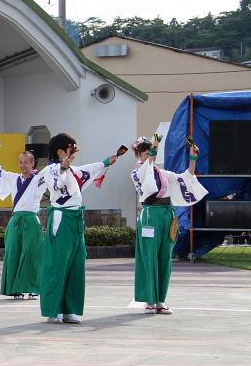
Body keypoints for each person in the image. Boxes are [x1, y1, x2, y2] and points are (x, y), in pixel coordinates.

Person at [38, 133, 122, 324]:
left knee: (76, 264)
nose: (73, 154)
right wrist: (62, 167)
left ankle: (70, 309)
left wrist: (107, 162)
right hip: (62, 218)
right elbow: (56, 185)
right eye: (70, 150)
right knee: (57, 264)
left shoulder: (73, 170)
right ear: (60, 151)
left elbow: (89, 170)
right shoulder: (51, 169)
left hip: (76, 218)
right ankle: (54, 309)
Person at [131, 136, 207, 314]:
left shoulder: (162, 172)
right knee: (150, 257)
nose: (148, 154)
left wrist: (193, 158)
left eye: (149, 150)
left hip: (167, 215)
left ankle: (160, 300)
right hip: (150, 215)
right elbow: (148, 170)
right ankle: (149, 300)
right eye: (145, 151)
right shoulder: (138, 172)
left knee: (165, 257)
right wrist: (155, 146)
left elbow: (185, 178)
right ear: (139, 155)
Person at [0, 142, 45, 299]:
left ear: (32, 163)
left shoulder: (39, 179)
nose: (22, 165)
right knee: (13, 253)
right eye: (20, 162)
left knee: (31, 253)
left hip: (31, 220)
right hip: (15, 220)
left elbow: (56, 172)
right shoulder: (13, 178)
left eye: (26, 162)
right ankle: (14, 289)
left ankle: (33, 288)